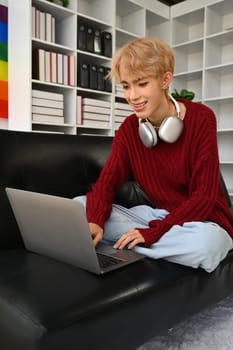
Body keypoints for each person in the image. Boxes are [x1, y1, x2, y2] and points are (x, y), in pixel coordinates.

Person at [75, 37, 233, 273]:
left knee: (206, 245)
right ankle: (143, 245)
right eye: (126, 86)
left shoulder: (202, 118)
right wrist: (95, 220)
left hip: (204, 221)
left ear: (165, 80)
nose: (132, 96)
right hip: (159, 216)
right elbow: (107, 183)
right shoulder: (130, 128)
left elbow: (204, 196)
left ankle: (130, 246)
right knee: (79, 208)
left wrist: (154, 232)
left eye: (141, 83)